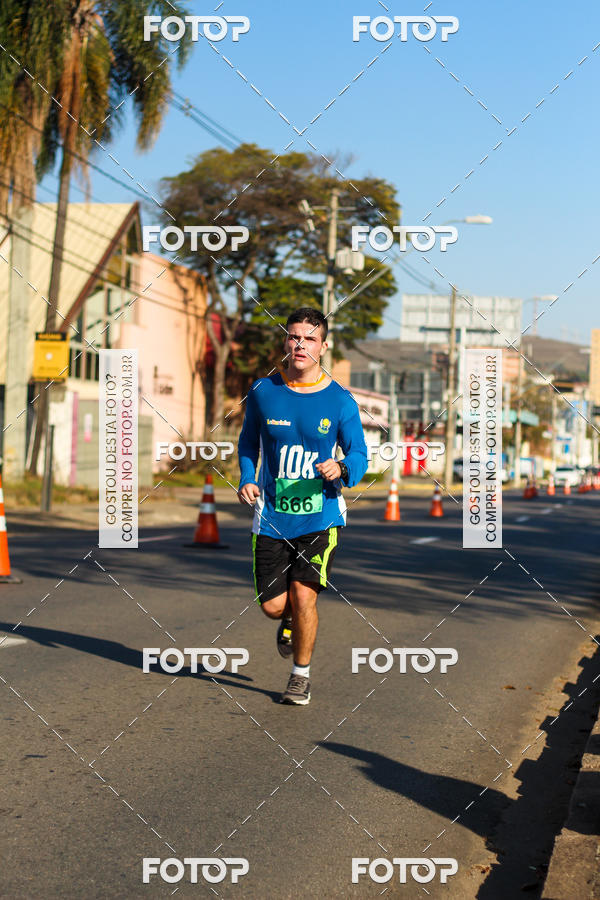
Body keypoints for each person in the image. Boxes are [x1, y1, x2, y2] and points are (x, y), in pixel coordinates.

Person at [237, 307, 368, 705]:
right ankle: (288, 619)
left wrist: (342, 466)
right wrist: (246, 477)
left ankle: (300, 675)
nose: (300, 344)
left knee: (304, 593)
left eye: (309, 339)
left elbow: (360, 455)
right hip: (273, 515)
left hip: (320, 514)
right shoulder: (263, 392)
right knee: (274, 607)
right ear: (285, 342)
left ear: (323, 347)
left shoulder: (340, 399)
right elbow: (247, 443)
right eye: (294, 337)